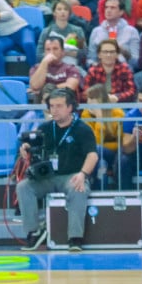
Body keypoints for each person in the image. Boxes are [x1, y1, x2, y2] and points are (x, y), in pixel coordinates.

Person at [17, 87, 98, 251]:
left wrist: (83, 174)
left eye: (59, 106)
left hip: (72, 175)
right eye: (52, 106)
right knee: (23, 187)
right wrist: (25, 148)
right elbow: (31, 145)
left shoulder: (83, 129)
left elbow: (92, 155)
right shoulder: (45, 128)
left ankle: (75, 238)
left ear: (70, 107)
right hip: (49, 177)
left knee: (78, 189)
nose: (55, 110)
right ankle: (33, 232)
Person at [82, 83, 125, 189]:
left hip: (116, 155)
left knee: (97, 150)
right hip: (97, 155)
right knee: (101, 163)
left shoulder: (118, 113)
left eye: (93, 98)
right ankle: (100, 197)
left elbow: (122, 142)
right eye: (88, 98)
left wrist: (106, 146)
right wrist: (99, 118)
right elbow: (94, 142)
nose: (89, 102)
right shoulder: (86, 115)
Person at [88, 0, 140, 67]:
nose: (108, 10)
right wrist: (97, 66)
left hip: (124, 70)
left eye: (112, 8)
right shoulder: (96, 31)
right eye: (106, 7)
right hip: (101, 70)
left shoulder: (132, 31)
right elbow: (90, 60)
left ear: (121, 12)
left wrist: (121, 50)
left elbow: (136, 62)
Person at [81, 37, 136, 102]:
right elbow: (85, 93)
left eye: (112, 52)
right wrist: (100, 98)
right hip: (98, 105)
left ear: (117, 54)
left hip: (119, 105)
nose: (108, 55)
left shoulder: (125, 69)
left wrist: (117, 97)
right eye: (105, 52)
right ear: (99, 55)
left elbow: (132, 91)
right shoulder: (92, 71)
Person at [37, 0, 86, 68]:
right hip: (51, 67)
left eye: (65, 9)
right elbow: (39, 55)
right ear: (54, 12)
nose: (62, 12)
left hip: (73, 67)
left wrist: (65, 53)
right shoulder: (46, 31)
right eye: (59, 9)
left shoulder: (78, 31)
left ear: (69, 13)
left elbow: (84, 53)